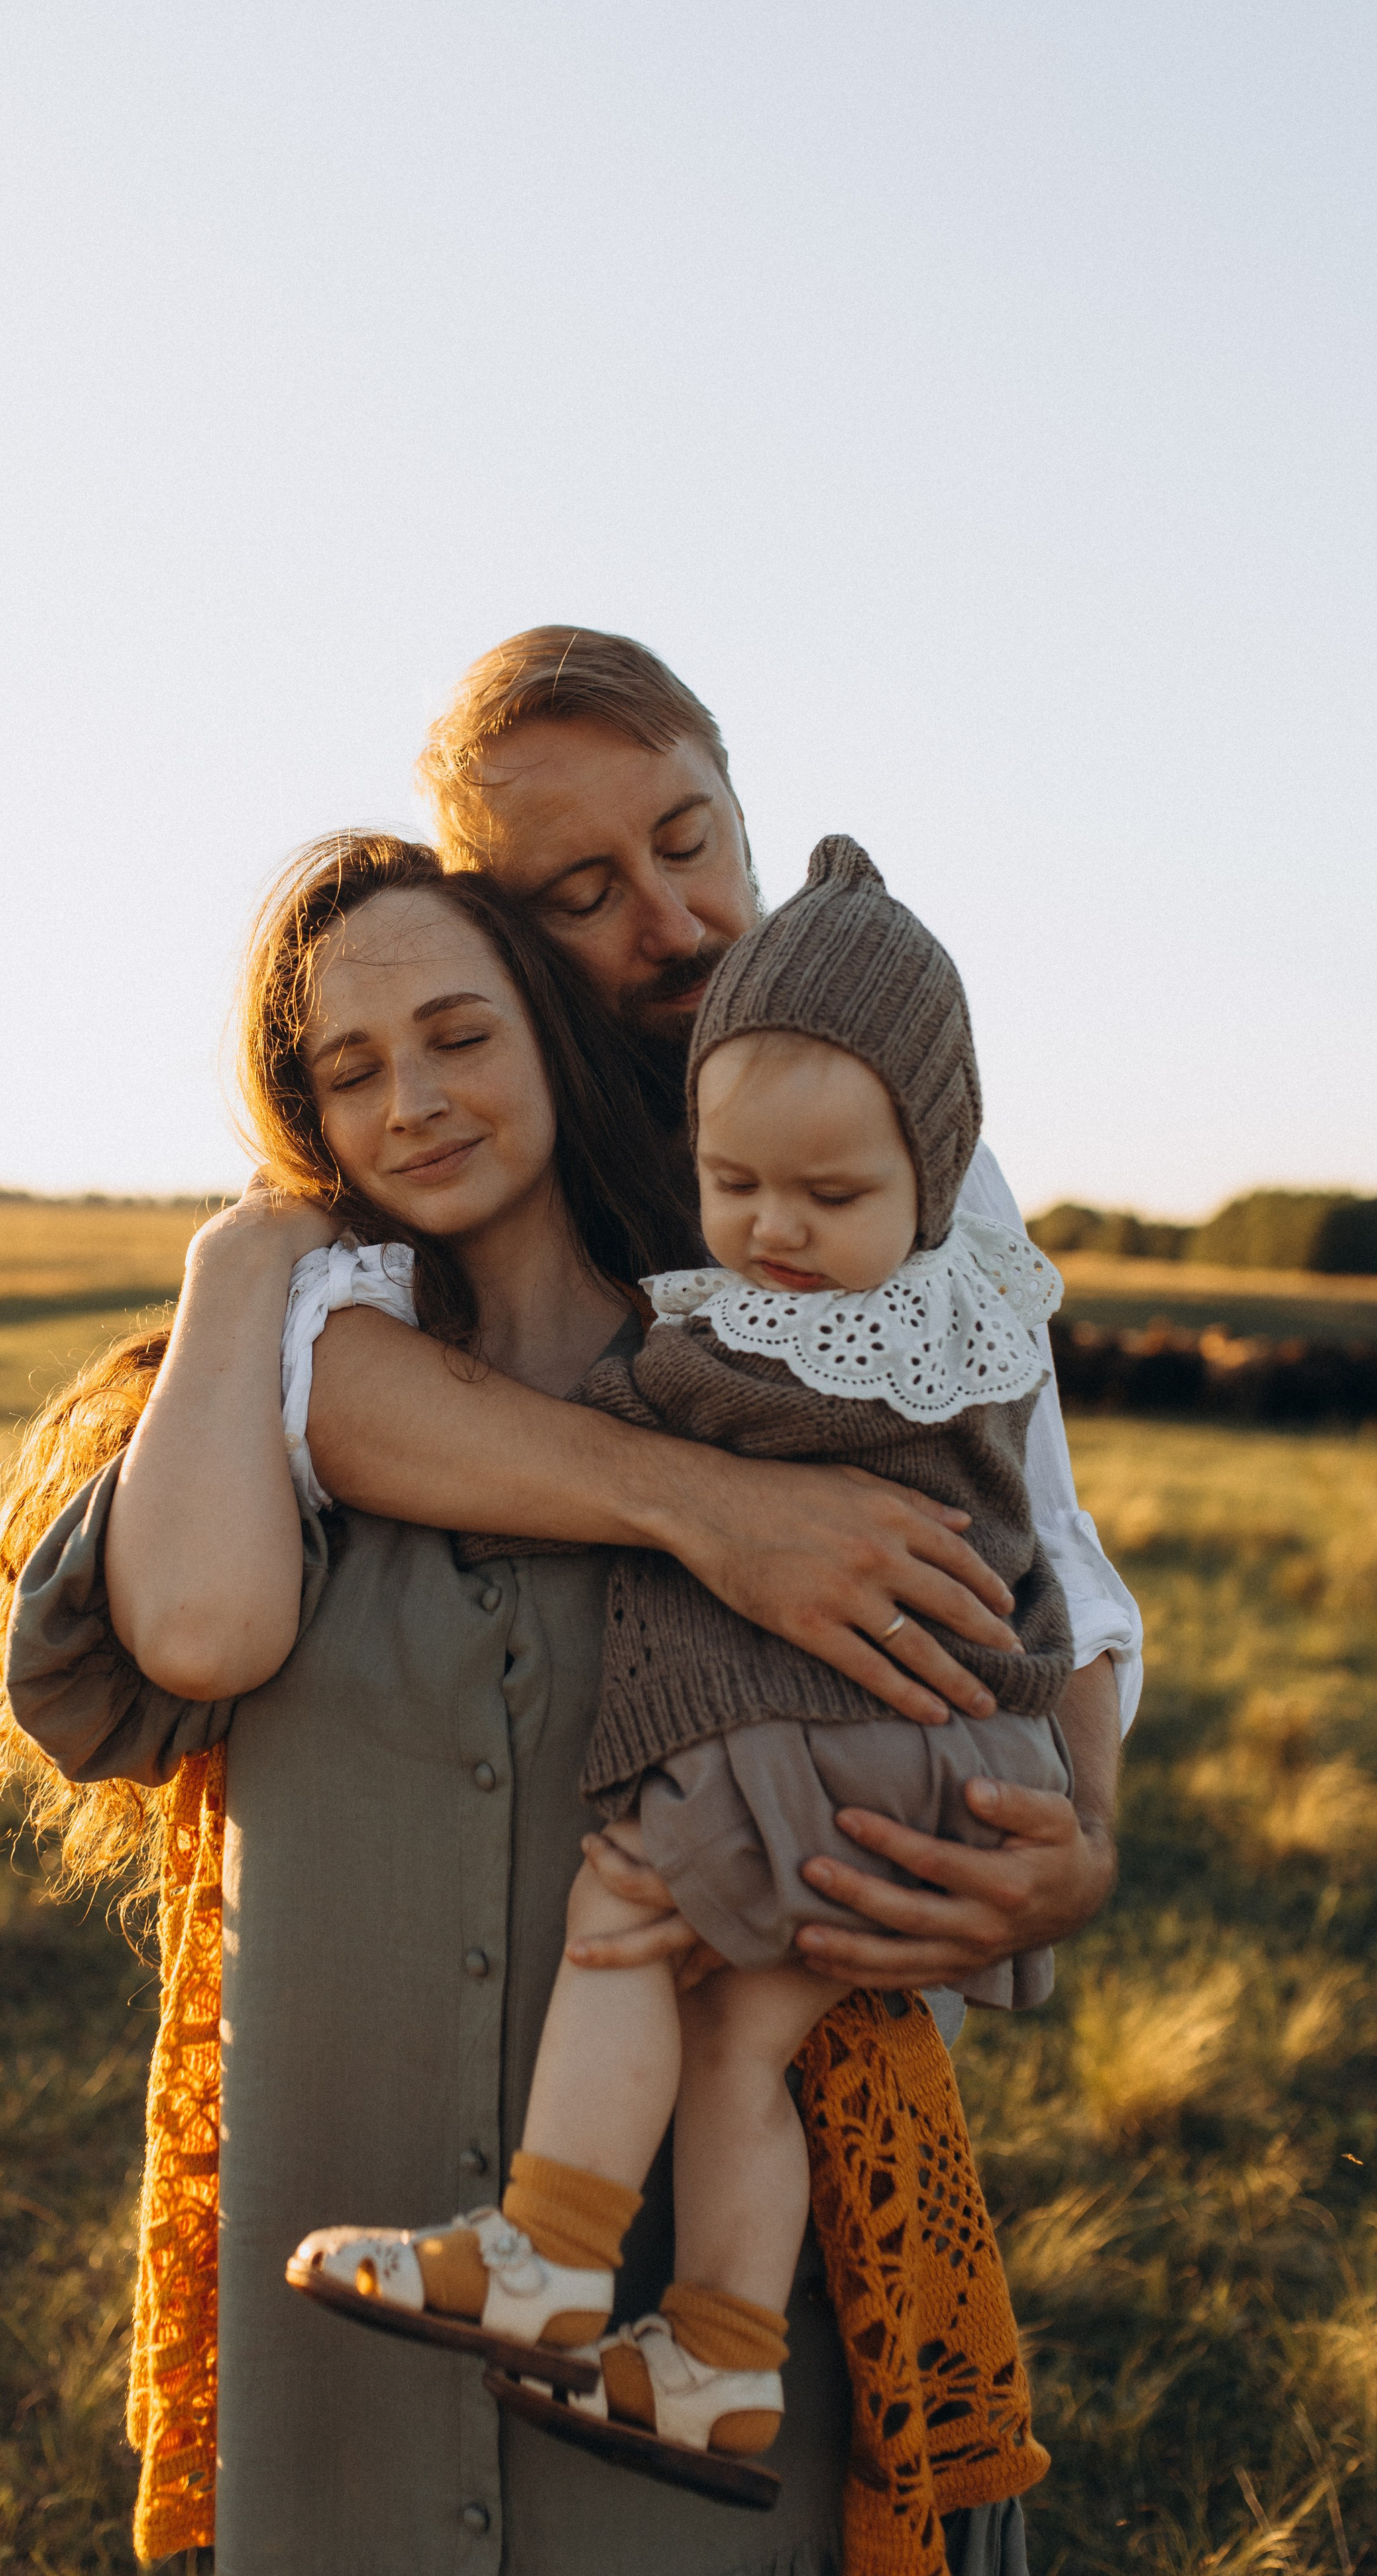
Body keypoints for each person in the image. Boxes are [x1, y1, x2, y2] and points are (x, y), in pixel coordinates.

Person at [0, 832, 1053, 2575]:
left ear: (546, 1023)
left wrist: (1056, 1843)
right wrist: (245, 1259)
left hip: (677, 2395)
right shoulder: (276, 1401)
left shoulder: (781, 1385)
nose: (415, 1102)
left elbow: (1005, 1660)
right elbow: (207, 1631)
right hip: (342, 2380)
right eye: (348, 1072)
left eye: (460, 1033)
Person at [291, 836, 1076, 2496]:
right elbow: (1043, 1576)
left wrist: (579, 1413)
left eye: (833, 1199)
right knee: (737, 2047)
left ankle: (549, 2245)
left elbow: (628, 1416)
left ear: (931, 1182)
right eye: (739, 1192)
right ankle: (718, 2354)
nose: (777, 1236)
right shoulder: (962, 1322)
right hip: (941, 1760)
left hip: (827, 1750)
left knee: (621, 1926)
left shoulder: (797, 1349)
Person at [286, 626, 1140, 2026]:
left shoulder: (916, 1153)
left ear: (740, 812)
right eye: (582, 892)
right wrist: (710, 1507)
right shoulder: (451, 1131)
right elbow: (331, 1383)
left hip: (844, 1919)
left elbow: (1045, 1525)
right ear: (501, 931)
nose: (673, 921)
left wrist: (1083, 1837)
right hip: (518, 1952)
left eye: (689, 842)